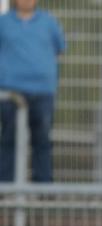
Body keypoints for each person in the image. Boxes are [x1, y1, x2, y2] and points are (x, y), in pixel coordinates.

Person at [0, 0, 66, 182]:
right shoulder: (3, 23)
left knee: (42, 140)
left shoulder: (49, 22)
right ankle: (5, 189)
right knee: (8, 139)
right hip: (10, 93)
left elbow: (59, 49)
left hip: (42, 92)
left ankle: (43, 190)